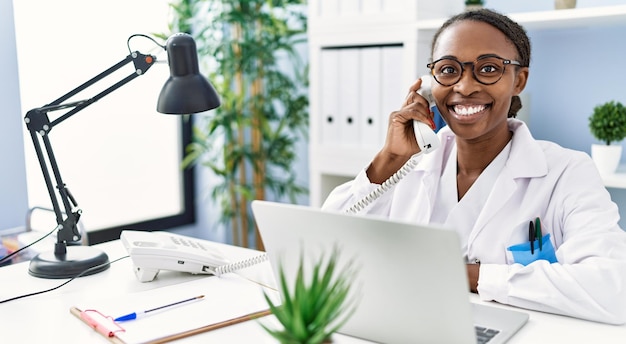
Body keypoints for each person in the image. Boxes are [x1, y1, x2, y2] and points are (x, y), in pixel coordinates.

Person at [322, 8, 626, 325]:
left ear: (518, 80)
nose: (465, 86)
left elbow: (614, 288)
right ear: (428, 85)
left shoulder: (567, 172)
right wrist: (390, 158)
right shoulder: (406, 166)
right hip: (403, 325)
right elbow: (321, 250)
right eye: (449, 69)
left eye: (489, 68)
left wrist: (467, 275)